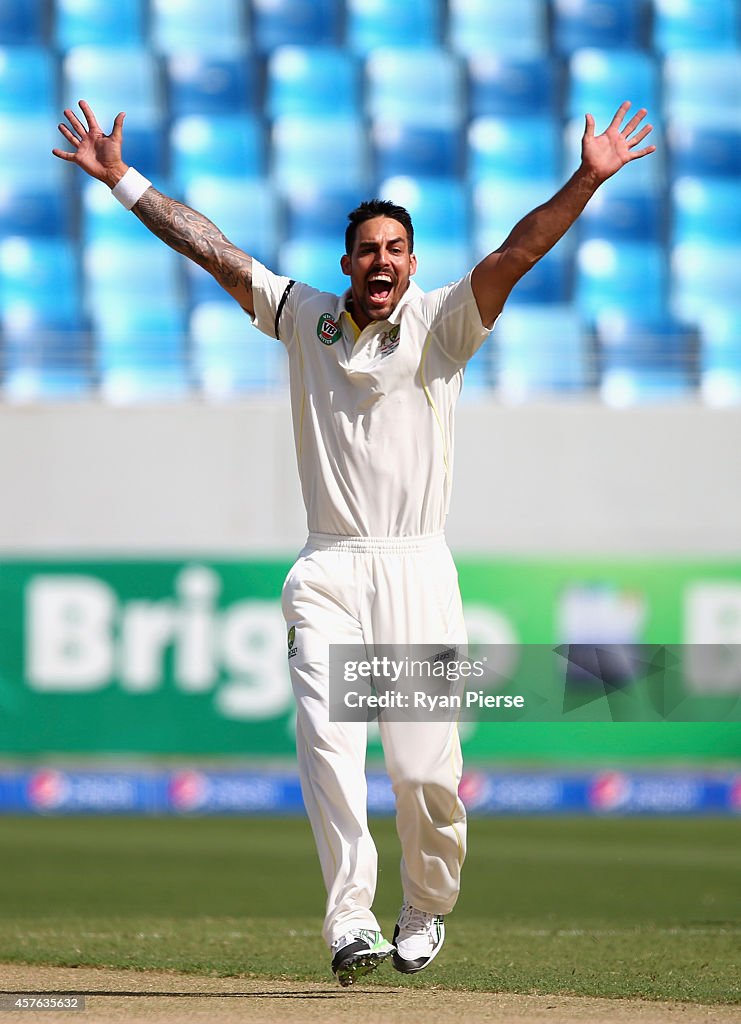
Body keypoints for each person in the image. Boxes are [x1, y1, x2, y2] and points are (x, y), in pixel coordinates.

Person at [53, 98, 655, 986]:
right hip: (329, 565)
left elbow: (518, 253)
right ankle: (348, 919)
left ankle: (424, 906)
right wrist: (124, 181)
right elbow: (211, 249)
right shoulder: (302, 316)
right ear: (347, 264)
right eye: (368, 249)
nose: (382, 261)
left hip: (415, 566)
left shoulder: (444, 322)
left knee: (423, 776)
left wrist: (588, 179)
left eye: (395, 249)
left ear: (412, 266)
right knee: (328, 744)